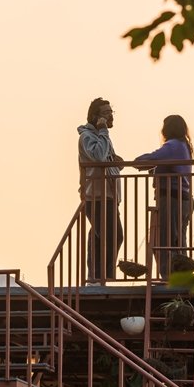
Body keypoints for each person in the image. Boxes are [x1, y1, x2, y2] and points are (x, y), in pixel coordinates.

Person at [134, 114, 194, 277]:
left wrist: (138, 162)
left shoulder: (172, 146)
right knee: (178, 240)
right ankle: (180, 275)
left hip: (171, 198)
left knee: (164, 239)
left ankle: (168, 275)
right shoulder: (183, 146)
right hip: (184, 198)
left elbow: (150, 158)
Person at [77, 98, 123, 282]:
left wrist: (116, 163)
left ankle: (97, 276)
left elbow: (104, 158)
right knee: (113, 236)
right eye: (106, 113)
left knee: (100, 236)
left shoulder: (101, 137)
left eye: (111, 112)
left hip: (108, 196)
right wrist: (103, 130)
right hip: (97, 197)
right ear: (96, 117)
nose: (110, 116)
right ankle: (103, 276)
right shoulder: (88, 136)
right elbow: (98, 156)